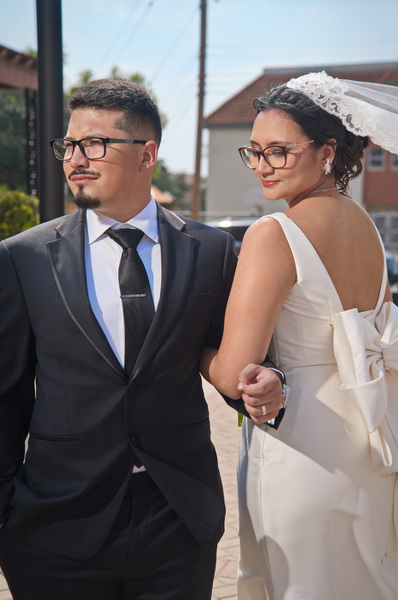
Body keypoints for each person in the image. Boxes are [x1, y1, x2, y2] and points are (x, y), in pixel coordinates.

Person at [0, 78, 285, 600]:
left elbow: (237, 361)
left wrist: (268, 383)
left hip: (178, 520)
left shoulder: (211, 251)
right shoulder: (23, 258)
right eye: (69, 145)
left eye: (94, 144)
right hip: (56, 526)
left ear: (147, 154)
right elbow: (6, 397)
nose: (75, 159)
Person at [201, 71, 398, 599]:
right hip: (367, 436)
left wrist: (191, 342)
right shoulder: (367, 226)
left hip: (302, 443)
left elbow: (234, 373)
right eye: (253, 152)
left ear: (327, 152)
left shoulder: (274, 234)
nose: (262, 166)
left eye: (279, 152)